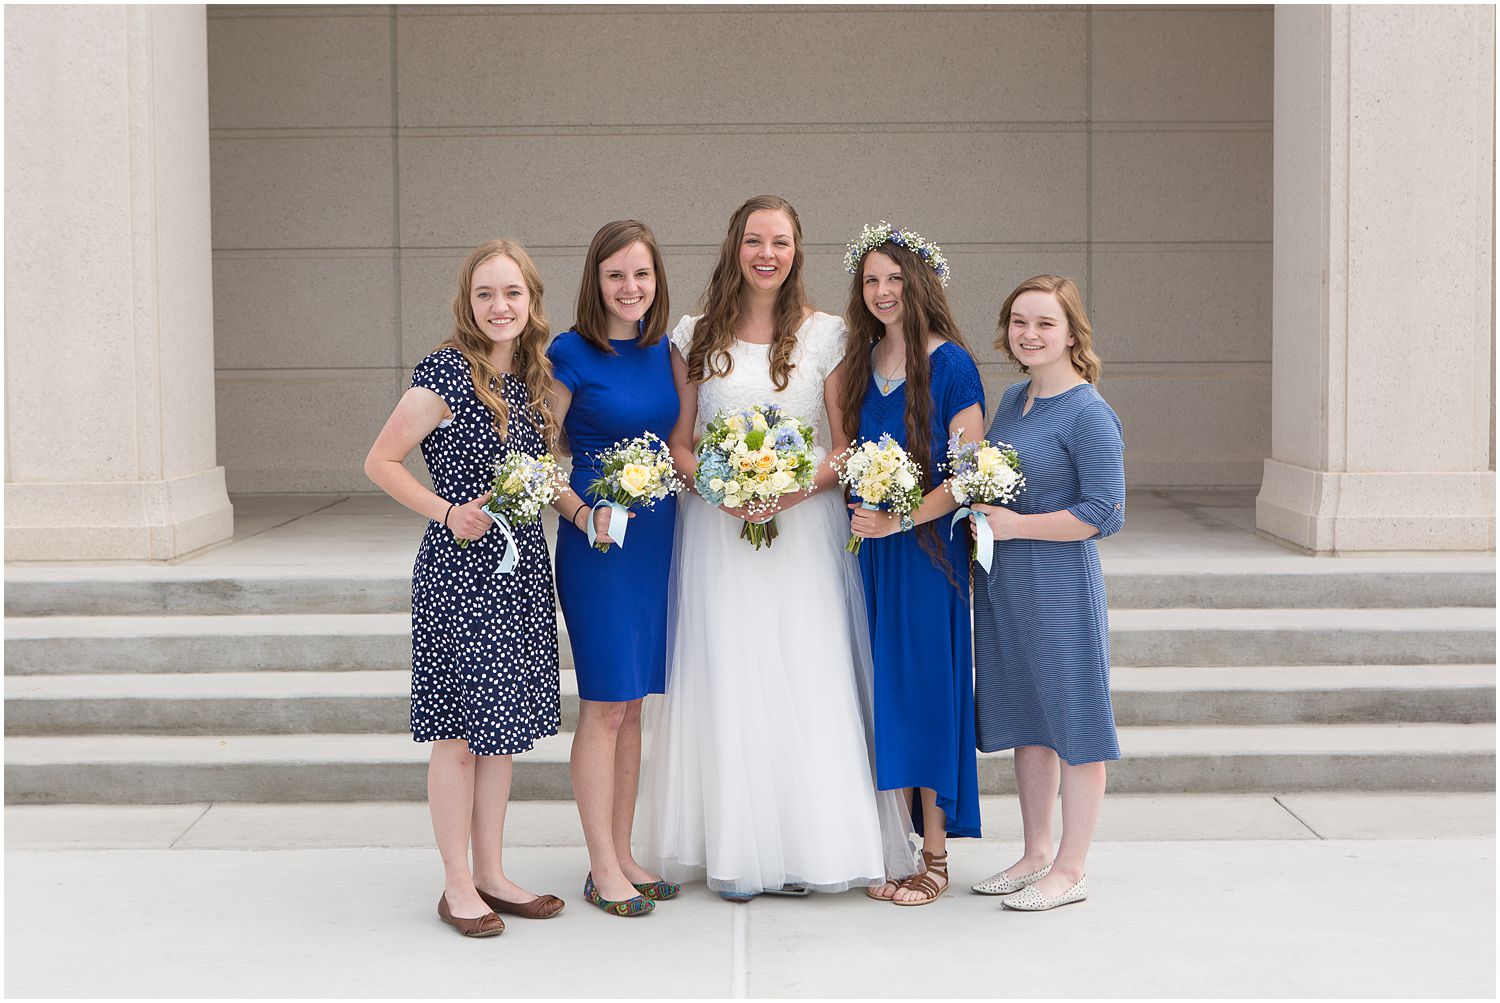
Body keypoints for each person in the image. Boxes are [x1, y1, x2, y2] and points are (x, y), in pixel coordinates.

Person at [637, 195, 917, 899]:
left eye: (782, 241)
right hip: (717, 531)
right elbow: (679, 444)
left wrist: (786, 491)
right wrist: (727, 489)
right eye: (755, 239)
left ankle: (807, 849)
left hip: (802, 529)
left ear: (797, 251)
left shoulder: (825, 334)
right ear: (735, 247)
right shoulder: (694, 335)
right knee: (729, 674)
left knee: (805, 671)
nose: (768, 253)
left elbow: (843, 443)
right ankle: (735, 849)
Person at [364, 239, 565, 937]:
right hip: (460, 570)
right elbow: (380, 460)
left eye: (512, 292)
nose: (500, 305)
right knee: (457, 735)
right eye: (486, 293)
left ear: (531, 301)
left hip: (519, 570)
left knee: (499, 732)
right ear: (467, 302)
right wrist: (448, 511)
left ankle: (492, 871)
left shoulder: (533, 380)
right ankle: (455, 885)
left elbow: (549, 474)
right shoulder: (445, 374)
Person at [967, 274, 1125, 912]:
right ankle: (1035, 853)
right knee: (1031, 724)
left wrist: (1017, 525)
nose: (1029, 335)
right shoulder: (1013, 399)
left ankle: (1071, 867)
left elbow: (1105, 512)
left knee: (1076, 724)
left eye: (1044, 324)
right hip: (1006, 589)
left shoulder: (1089, 411)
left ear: (1070, 333)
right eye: (1019, 322)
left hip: (1061, 593)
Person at [838, 225, 985, 906]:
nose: (883, 291)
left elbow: (968, 476)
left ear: (919, 282)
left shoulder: (950, 363)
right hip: (871, 554)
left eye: (894, 278)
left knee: (924, 693)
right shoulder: (860, 364)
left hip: (927, 557)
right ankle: (891, 846)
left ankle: (934, 854)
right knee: (880, 693)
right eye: (871, 280)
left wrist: (901, 516)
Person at [546, 220, 681, 917]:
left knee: (633, 707)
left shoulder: (668, 350)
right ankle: (601, 865)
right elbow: (537, 459)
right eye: (616, 275)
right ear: (595, 280)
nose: (630, 287)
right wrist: (580, 514)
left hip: (658, 540)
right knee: (603, 706)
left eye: (642, 274)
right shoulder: (569, 352)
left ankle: (624, 852)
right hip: (600, 548)